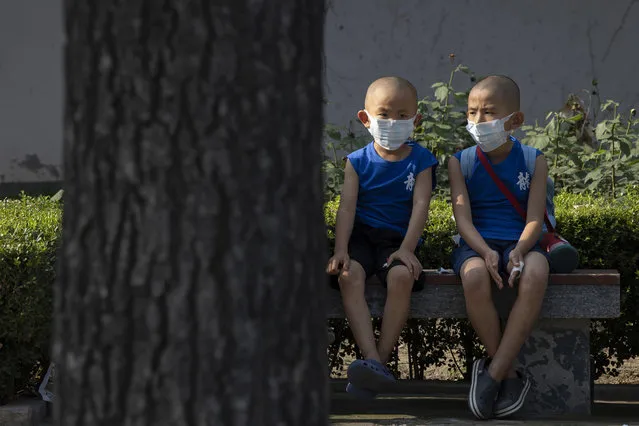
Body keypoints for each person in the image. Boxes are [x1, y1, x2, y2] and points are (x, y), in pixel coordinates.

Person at [326, 76, 438, 398]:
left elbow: (421, 206)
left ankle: (379, 363)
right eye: (385, 114)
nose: (393, 122)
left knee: (401, 277)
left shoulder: (421, 160)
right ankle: (374, 363)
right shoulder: (357, 161)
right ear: (366, 119)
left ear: (416, 120)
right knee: (348, 276)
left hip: (397, 240)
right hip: (362, 238)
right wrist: (341, 249)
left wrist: (406, 249)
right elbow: (346, 209)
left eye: (403, 115)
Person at [448, 75, 550, 419]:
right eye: (471, 112)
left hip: (521, 242)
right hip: (477, 243)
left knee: (536, 272)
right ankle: (508, 374)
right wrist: (487, 252)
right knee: (475, 276)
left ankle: (491, 373)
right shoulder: (460, 161)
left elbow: (535, 218)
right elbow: (463, 220)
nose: (477, 121)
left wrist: (520, 250)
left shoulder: (534, 160)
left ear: (515, 120)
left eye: (488, 113)